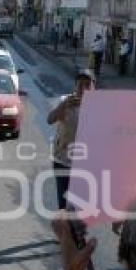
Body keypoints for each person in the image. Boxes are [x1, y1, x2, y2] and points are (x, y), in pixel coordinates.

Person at [47, 69, 95, 210]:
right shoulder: (65, 101)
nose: (83, 89)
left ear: (94, 87)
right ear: (75, 87)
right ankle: (66, 231)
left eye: (87, 85)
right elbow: (50, 119)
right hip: (63, 162)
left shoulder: (100, 106)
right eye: (80, 85)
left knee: (82, 207)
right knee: (64, 206)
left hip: (86, 166)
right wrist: (64, 106)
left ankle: (76, 231)